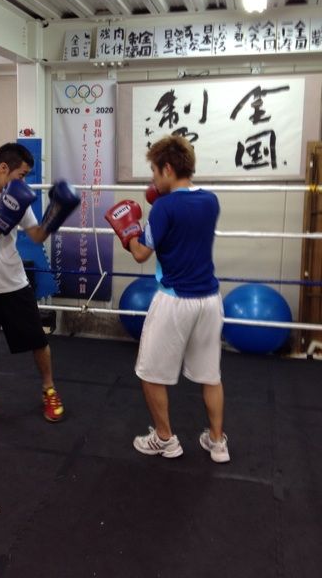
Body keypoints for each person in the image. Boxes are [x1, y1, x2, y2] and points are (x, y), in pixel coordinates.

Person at [105, 134, 230, 463]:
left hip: (175, 300)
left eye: (154, 171)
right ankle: (217, 442)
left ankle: (165, 440)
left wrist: (128, 232)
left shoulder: (163, 207)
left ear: (168, 169)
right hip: (210, 300)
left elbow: (141, 255)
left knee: (149, 373)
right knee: (210, 375)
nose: (152, 179)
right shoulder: (211, 201)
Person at [0, 142, 80, 424]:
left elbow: (36, 235)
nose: (24, 181)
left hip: (13, 282)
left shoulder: (17, 196)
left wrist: (55, 215)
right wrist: (6, 215)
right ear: (3, 168)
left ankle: (49, 390)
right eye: (21, 174)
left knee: (38, 341)